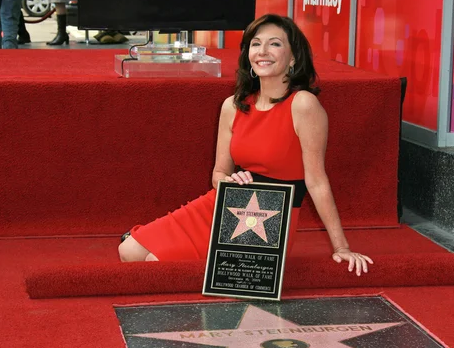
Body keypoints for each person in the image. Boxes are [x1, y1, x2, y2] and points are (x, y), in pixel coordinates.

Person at [118, 14, 373, 277]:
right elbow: (218, 174)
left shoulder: (303, 104)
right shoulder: (233, 105)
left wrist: (342, 247)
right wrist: (229, 182)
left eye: (274, 44)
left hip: (268, 218)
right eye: (255, 44)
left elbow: (317, 181)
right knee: (128, 251)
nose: (262, 51)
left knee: (154, 263)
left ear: (293, 57)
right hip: (226, 203)